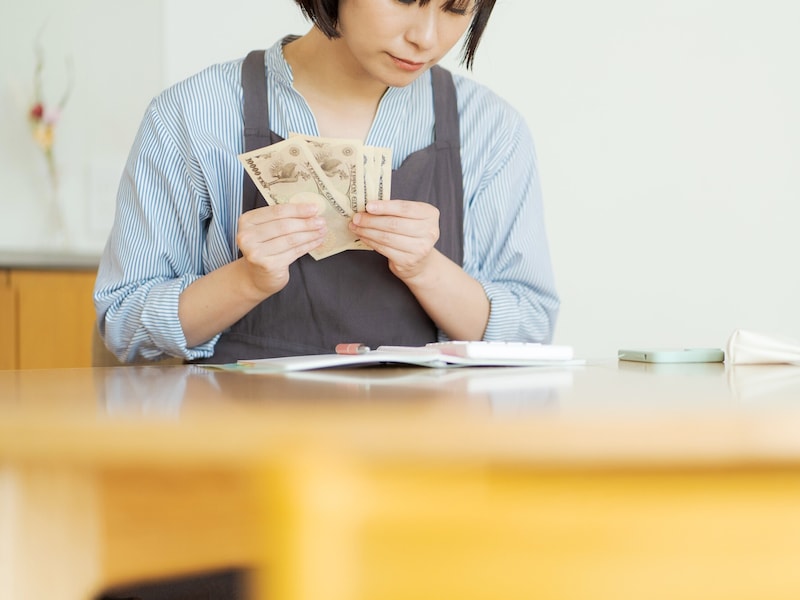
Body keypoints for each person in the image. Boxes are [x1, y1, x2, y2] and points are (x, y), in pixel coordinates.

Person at [94, 0, 560, 366]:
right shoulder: (192, 116)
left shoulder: (490, 129)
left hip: (424, 460)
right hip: (240, 453)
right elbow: (124, 321)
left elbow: (530, 328)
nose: (426, 37)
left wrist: (425, 269)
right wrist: (248, 279)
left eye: (456, 8)